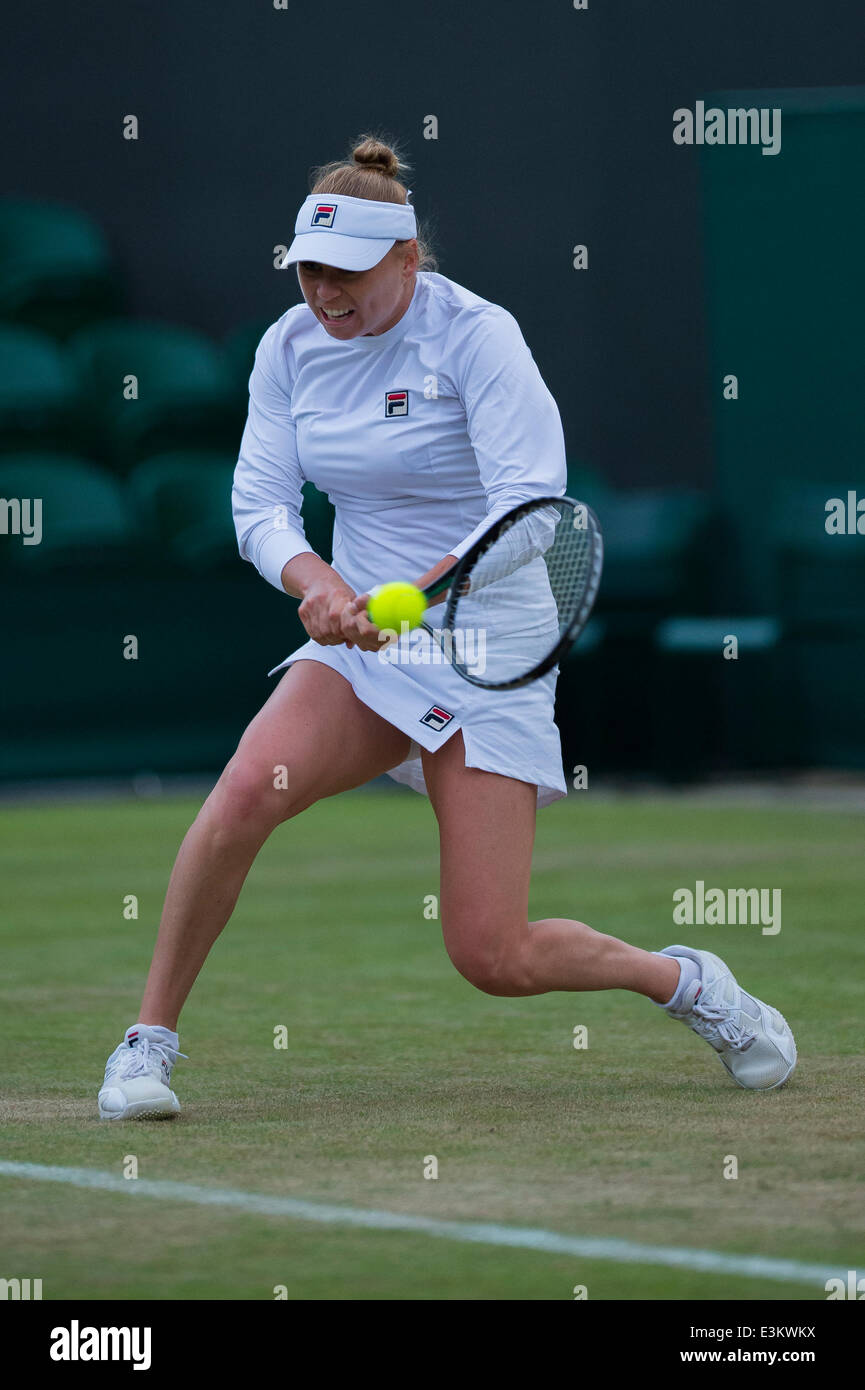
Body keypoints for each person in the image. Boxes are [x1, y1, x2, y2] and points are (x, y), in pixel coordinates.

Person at [97, 135, 796, 1120]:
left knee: (491, 954)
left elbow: (527, 506)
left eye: (345, 274)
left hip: (489, 639)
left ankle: (681, 980)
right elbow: (258, 504)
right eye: (308, 271)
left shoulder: (477, 335)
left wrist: (407, 600)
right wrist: (317, 584)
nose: (323, 293)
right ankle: (146, 1044)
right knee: (248, 786)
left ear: (407, 260)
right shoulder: (286, 348)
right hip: (364, 637)